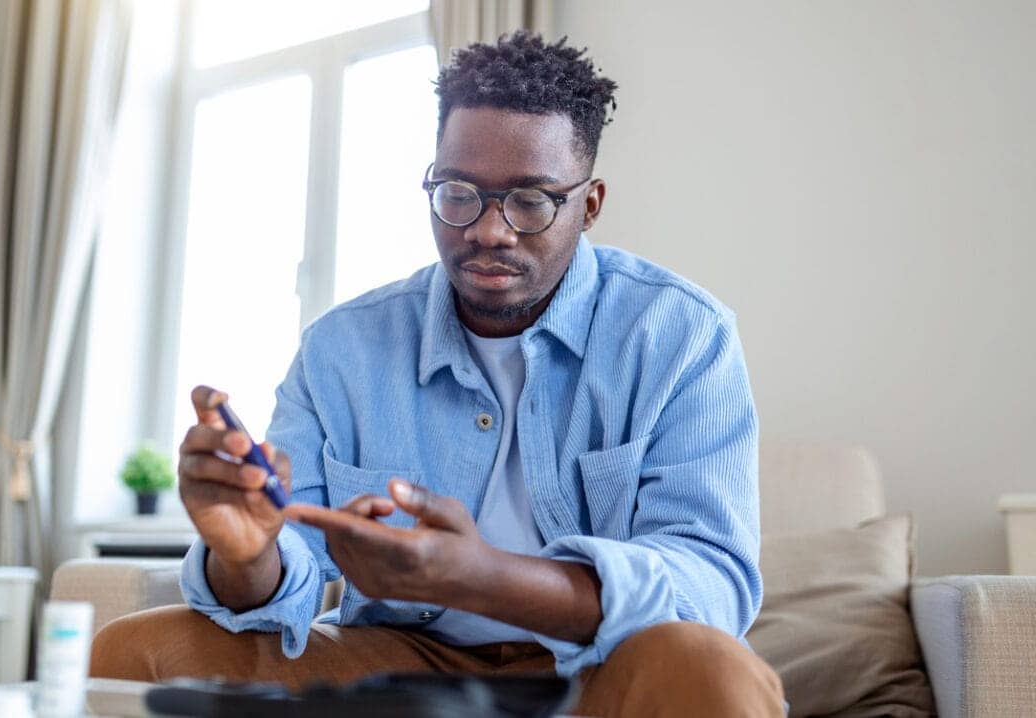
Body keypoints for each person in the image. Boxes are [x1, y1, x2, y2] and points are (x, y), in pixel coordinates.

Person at [92, 32, 784, 716]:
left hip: (597, 668)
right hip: (399, 667)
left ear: (590, 204)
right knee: (137, 651)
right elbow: (288, 570)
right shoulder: (344, 348)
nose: (489, 230)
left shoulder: (680, 335)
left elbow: (709, 585)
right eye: (459, 192)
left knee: (710, 668)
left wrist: (487, 580)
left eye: (531, 200)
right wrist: (246, 556)